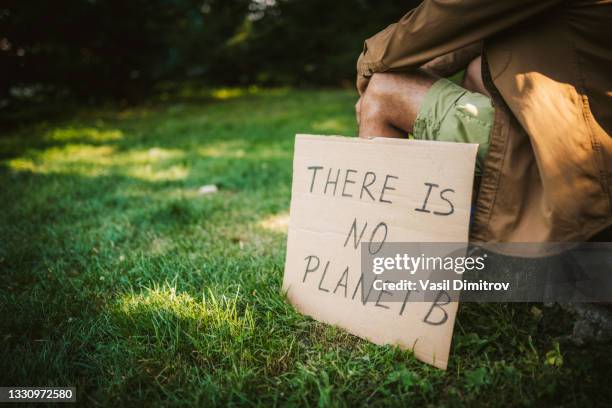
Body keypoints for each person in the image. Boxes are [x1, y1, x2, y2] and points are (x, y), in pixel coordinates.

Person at [355, 0, 611, 246]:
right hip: (583, 126)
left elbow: (460, 10)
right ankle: (464, 247)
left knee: (384, 94)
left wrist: (372, 62)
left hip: (580, 155)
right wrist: (406, 62)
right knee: (480, 71)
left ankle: (388, 276)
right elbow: (483, 25)